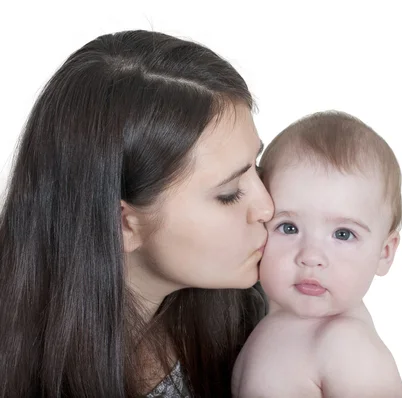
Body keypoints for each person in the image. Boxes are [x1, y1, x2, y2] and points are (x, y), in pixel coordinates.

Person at [0, 30, 274, 398]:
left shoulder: (256, 312)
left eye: (256, 166)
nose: (267, 206)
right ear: (122, 224)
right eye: (229, 195)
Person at [232, 111, 402, 397]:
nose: (311, 256)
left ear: (385, 253)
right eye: (288, 228)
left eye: (343, 234)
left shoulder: (346, 347)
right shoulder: (264, 320)